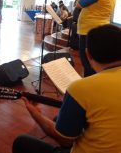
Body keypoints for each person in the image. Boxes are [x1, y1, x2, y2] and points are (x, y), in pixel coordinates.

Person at [13, 24, 121, 153]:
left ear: (88, 54)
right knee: (59, 119)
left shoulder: (81, 89)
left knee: (22, 142)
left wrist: (35, 113)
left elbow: (65, 141)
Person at [76, 0, 115, 77]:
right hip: (97, 28)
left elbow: (79, 4)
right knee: (95, 60)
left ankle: (89, 84)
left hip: (88, 30)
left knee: (87, 61)